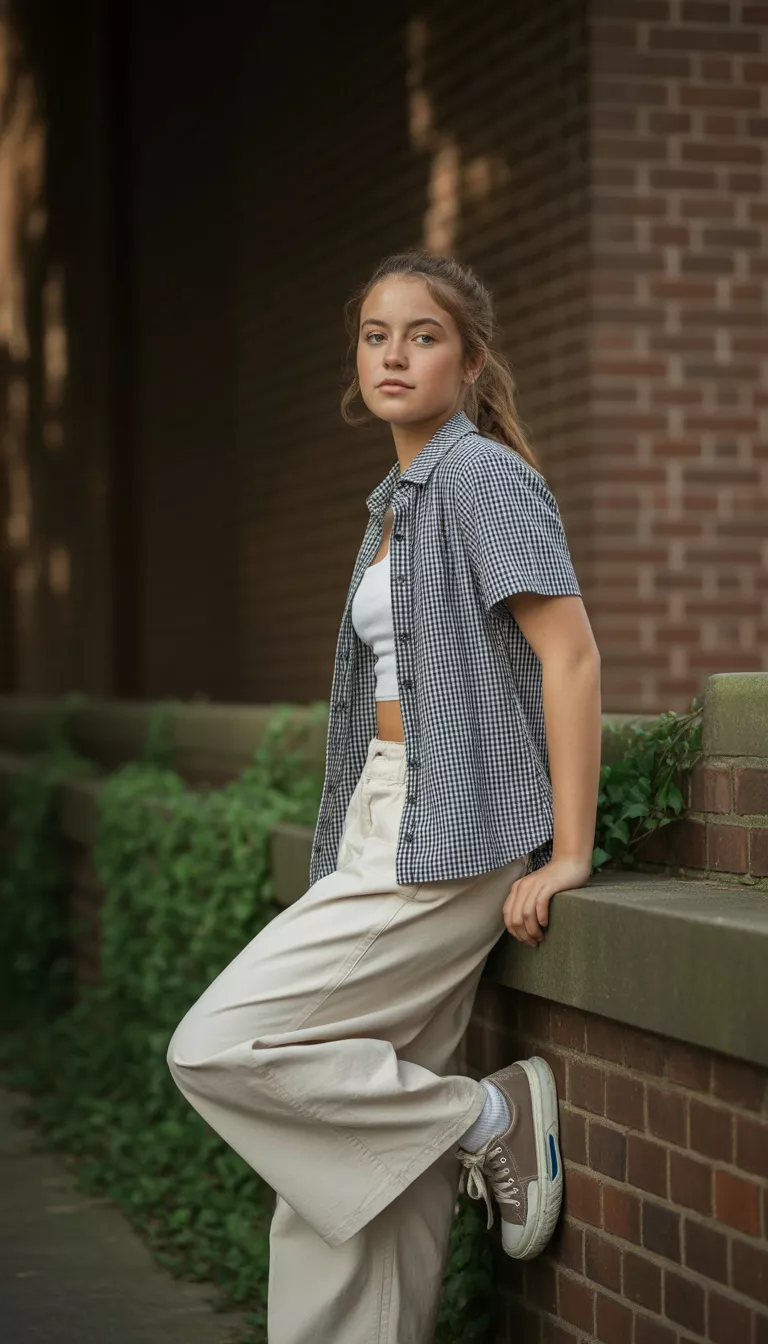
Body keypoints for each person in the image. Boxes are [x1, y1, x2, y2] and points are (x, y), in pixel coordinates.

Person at [167, 249, 601, 1343]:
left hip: (450, 828)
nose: (394, 355)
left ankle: (485, 1117)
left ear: (470, 358)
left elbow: (574, 657)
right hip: (388, 812)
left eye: (422, 335)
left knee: (221, 1045)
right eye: (375, 335)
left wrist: (570, 852)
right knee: (346, 1177)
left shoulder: (479, 475)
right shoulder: (396, 500)